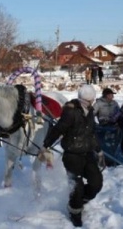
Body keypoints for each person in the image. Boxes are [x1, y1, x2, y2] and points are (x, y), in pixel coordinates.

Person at [40, 85, 105, 227]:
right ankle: (74, 211)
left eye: (91, 100)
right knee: (77, 185)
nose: (91, 102)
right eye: (88, 100)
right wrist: (46, 145)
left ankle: (81, 200)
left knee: (96, 182)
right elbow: (58, 129)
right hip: (72, 154)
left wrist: (99, 151)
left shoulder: (91, 111)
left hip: (87, 153)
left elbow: (91, 134)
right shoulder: (70, 112)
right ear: (83, 99)